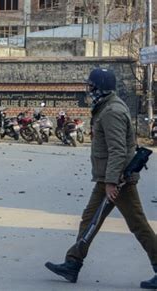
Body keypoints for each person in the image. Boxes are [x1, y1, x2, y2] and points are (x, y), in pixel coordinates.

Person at [45, 68, 157, 289]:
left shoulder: (112, 111)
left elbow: (117, 150)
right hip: (109, 177)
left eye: (92, 87)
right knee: (90, 219)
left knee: (138, 224)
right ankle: (73, 263)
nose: (89, 91)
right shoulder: (107, 106)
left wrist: (111, 183)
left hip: (118, 179)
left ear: (100, 88)